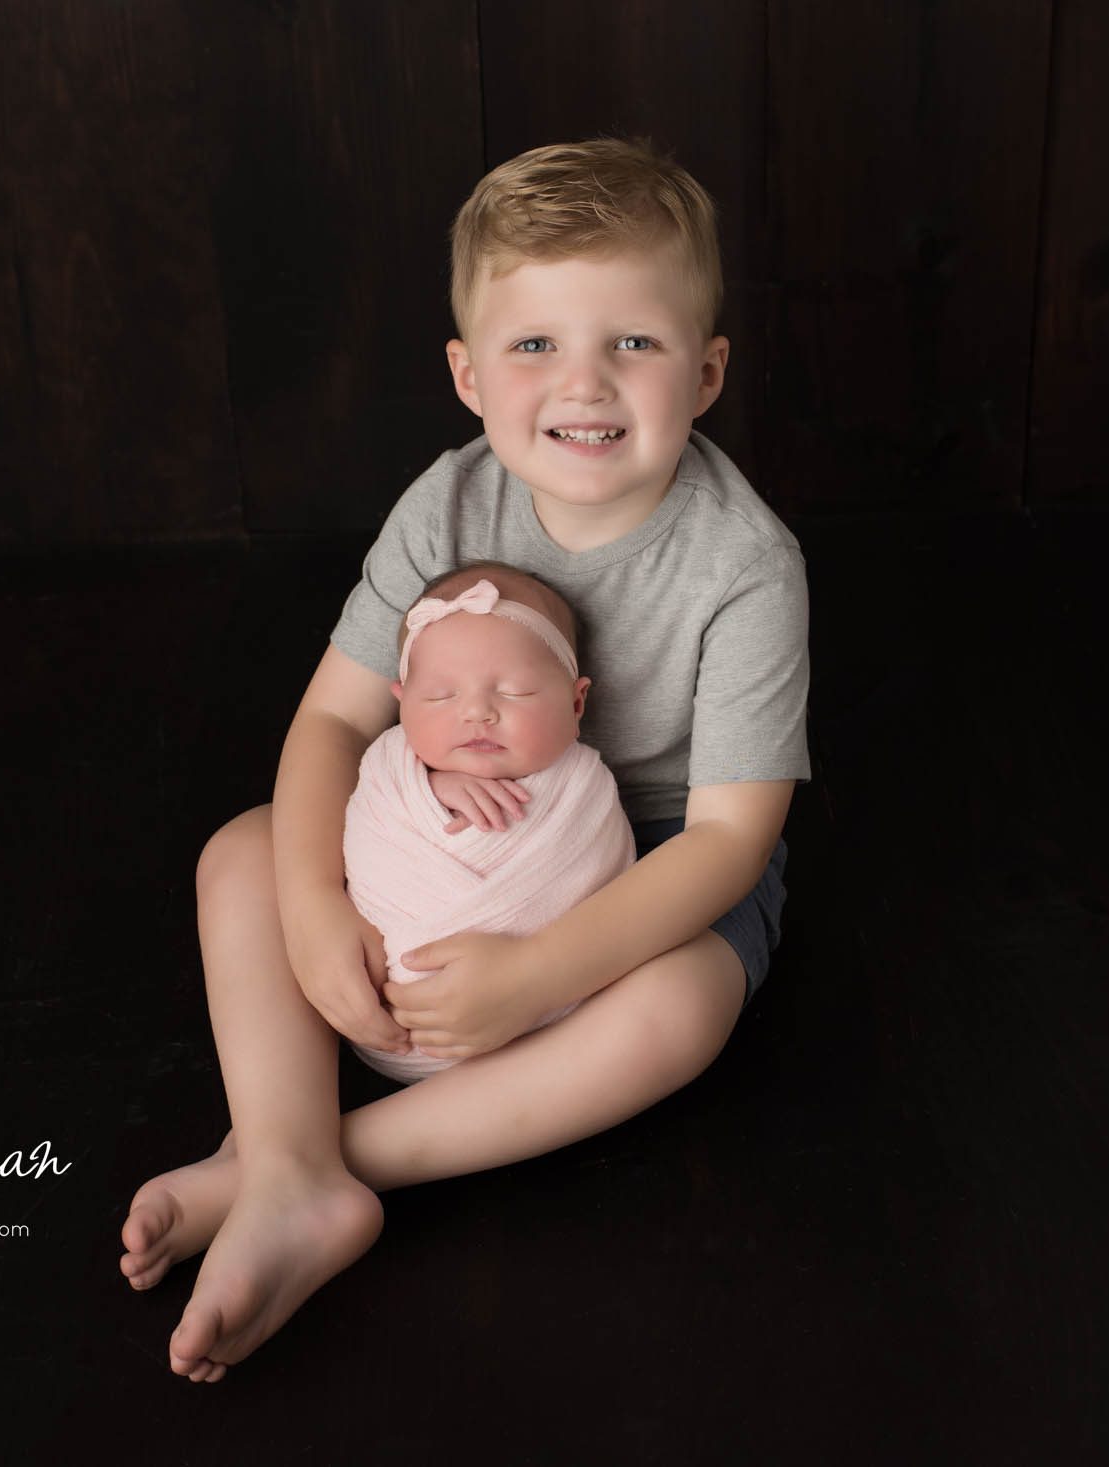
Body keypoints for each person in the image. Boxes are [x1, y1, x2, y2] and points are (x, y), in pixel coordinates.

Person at [119, 136, 811, 1383]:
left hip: (643, 855)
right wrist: (317, 905)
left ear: (705, 373)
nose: (584, 384)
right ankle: (288, 1166)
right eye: (535, 344)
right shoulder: (444, 503)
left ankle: (319, 1159)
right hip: (435, 812)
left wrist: (541, 969)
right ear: (467, 374)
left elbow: (729, 838)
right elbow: (333, 723)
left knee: (685, 1010)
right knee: (242, 852)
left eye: (634, 344)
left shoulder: (745, 565)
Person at [344, 563, 635, 1085]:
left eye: (517, 692)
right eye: (439, 695)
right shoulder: (388, 767)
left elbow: (602, 887)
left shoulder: (585, 788)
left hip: (544, 1023)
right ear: (402, 704)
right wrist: (429, 787)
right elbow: (367, 833)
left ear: (576, 702)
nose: (477, 712)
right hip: (383, 1014)